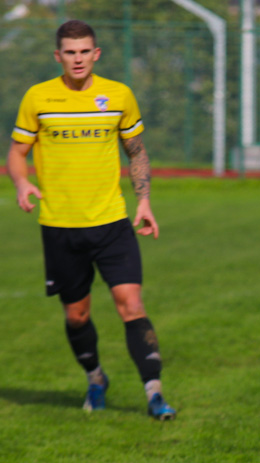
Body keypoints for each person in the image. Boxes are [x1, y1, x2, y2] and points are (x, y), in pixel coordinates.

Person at [7, 20, 176, 420]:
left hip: (112, 222)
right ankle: (96, 377)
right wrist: (21, 183)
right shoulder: (38, 98)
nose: (78, 59)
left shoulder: (118, 95)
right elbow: (17, 152)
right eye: (70, 52)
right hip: (60, 226)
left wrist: (145, 201)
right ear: (58, 56)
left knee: (130, 304)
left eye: (85, 51)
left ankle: (155, 393)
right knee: (76, 314)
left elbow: (136, 152)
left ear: (95, 54)